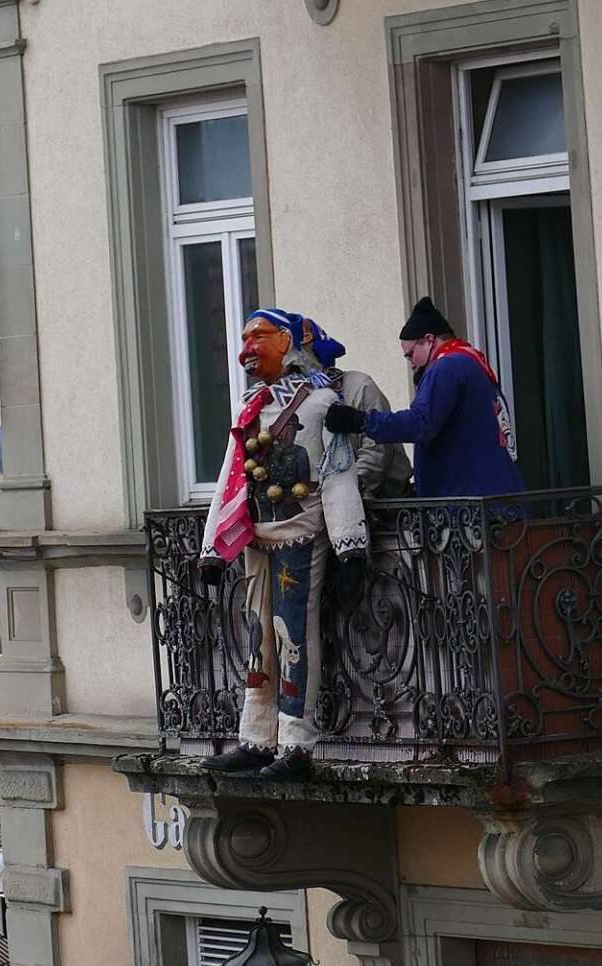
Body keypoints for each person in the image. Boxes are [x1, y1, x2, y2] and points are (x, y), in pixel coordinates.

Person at [198, 308, 367, 781]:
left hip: (298, 535)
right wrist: (214, 547)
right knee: (258, 638)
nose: (248, 347)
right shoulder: (250, 404)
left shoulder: (320, 403)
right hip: (257, 539)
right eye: (246, 336)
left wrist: (350, 545)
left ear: (287, 341)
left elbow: (337, 476)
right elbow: (230, 478)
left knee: (294, 637)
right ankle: (255, 736)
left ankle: (296, 743)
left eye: (259, 336)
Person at [324, 297, 525, 499]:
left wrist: (361, 421)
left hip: (468, 502)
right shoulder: (470, 360)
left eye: (410, 354)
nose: (411, 364)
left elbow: (420, 423)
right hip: (495, 496)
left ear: (429, 340)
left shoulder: (446, 368)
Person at [302, 318, 412, 498]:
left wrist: (348, 492)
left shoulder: (359, 386)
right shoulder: (295, 400)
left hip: (383, 504)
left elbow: (376, 448)